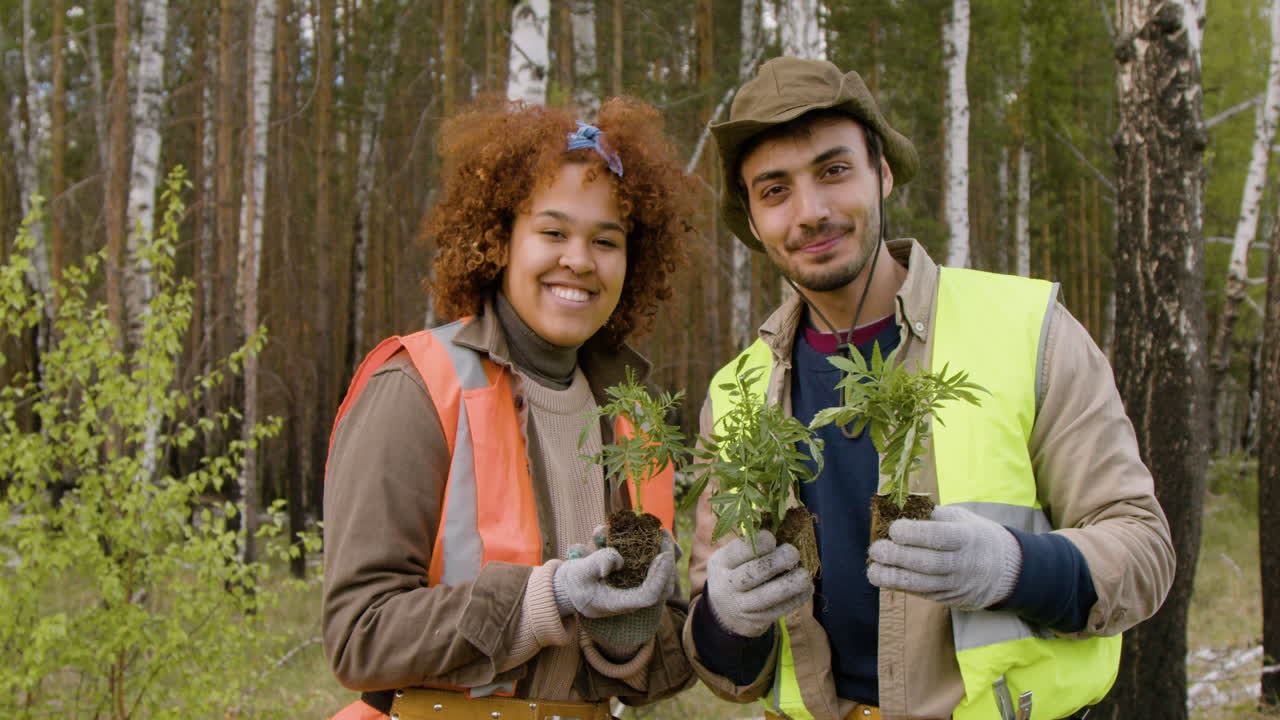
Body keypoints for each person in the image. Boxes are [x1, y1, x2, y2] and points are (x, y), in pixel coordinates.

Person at [682, 57, 1176, 720]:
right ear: (751, 215)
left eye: (834, 170)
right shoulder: (737, 391)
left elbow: (1142, 551)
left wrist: (1012, 568)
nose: (812, 211)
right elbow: (723, 667)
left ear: (882, 172)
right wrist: (724, 617)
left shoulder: (1028, 331)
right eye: (774, 190)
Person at [323, 96, 697, 720]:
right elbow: (360, 635)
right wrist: (542, 599)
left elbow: (657, 667)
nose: (578, 260)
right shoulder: (417, 385)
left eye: (606, 240)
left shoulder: (639, 420)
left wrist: (640, 631)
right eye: (552, 232)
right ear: (498, 240)